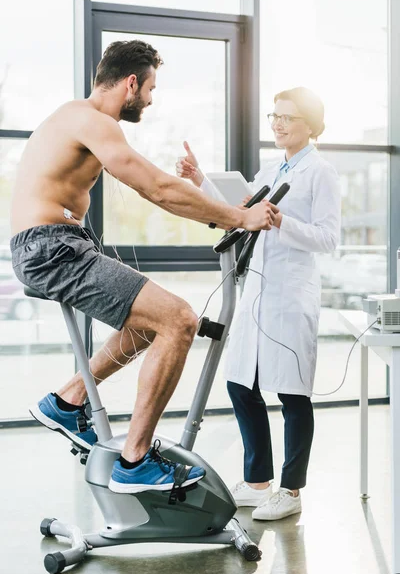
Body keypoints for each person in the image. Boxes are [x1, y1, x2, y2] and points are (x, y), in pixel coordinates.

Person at [10, 40, 277, 495]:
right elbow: (155, 187)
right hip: (51, 248)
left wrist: (222, 212)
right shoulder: (91, 120)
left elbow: (162, 189)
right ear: (131, 82)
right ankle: (134, 462)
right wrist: (239, 217)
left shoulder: (76, 118)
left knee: (151, 324)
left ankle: (67, 399)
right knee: (180, 319)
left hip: (56, 244)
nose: (151, 100)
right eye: (151, 88)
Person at [176, 87, 341, 519]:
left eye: (287, 117)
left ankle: (290, 491)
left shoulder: (321, 173)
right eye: (274, 116)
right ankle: (256, 480)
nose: (278, 123)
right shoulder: (271, 166)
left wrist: (282, 220)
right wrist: (201, 181)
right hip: (257, 293)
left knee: (291, 392)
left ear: (310, 124)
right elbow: (241, 209)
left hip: (291, 294)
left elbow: (328, 237)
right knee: (239, 383)